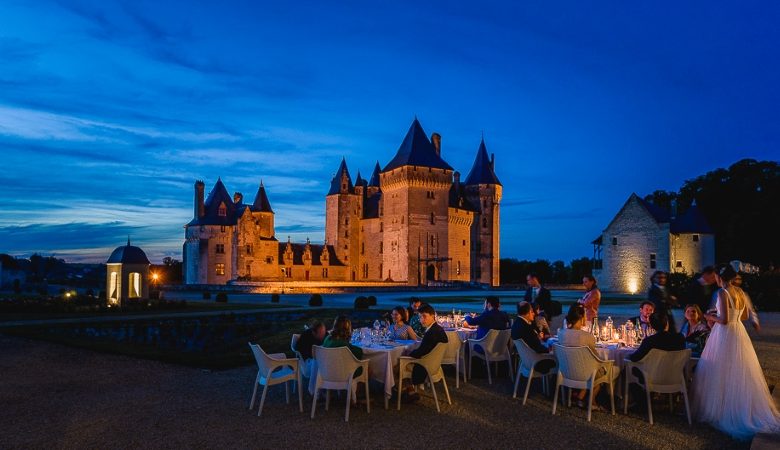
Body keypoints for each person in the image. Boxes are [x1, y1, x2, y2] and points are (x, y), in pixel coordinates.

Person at [692, 264, 780, 440]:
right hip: (739, 331)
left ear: (720, 278)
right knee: (740, 369)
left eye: (716, 276)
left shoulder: (723, 293)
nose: (715, 279)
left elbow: (723, 320)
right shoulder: (740, 292)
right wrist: (731, 315)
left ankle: (723, 408)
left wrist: (710, 316)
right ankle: (739, 404)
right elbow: (745, 316)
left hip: (725, 333)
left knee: (720, 369)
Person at [558, 303, 613, 408]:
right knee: (603, 371)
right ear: (582, 318)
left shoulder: (561, 334)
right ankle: (591, 402)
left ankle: (580, 397)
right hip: (585, 373)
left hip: (566, 371)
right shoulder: (588, 337)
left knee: (592, 369)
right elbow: (595, 358)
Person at [402, 303, 448, 401]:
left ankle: (402, 391)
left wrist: (409, 354)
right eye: (420, 317)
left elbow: (421, 352)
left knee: (399, 364)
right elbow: (425, 349)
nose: (422, 319)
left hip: (425, 366)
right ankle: (409, 390)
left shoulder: (432, 332)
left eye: (424, 316)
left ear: (433, 316)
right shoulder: (438, 329)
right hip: (435, 365)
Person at [511, 301, 556, 373]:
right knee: (560, 359)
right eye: (532, 311)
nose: (534, 313)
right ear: (528, 313)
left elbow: (530, 343)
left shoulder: (516, 324)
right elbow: (538, 348)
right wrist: (551, 350)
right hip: (536, 362)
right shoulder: (526, 328)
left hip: (525, 360)